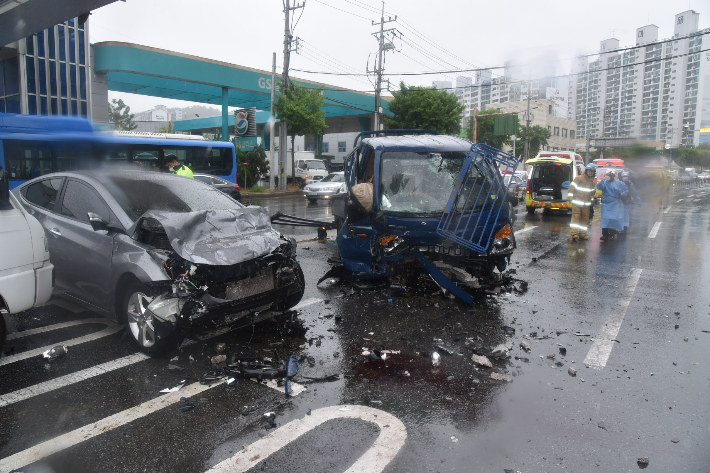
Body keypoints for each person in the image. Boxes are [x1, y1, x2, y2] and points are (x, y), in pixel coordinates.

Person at [568, 163, 597, 242]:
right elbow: (571, 187)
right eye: (589, 171)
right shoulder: (579, 178)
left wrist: (591, 203)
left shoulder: (593, 182)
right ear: (586, 171)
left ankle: (582, 234)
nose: (590, 172)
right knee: (576, 218)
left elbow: (592, 193)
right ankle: (574, 233)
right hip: (577, 202)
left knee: (585, 219)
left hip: (586, 204)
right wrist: (570, 198)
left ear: (594, 172)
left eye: (592, 171)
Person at [596, 170, 628, 241]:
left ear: (613, 176)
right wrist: (602, 180)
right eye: (607, 175)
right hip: (606, 204)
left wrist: (621, 194)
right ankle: (605, 235)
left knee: (614, 219)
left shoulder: (619, 183)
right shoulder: (604, 183)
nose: (608, 177)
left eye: (609, 175)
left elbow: (626, 190)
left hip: (615, 203)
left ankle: (613, 233)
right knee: (605, 219)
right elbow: (599, 187)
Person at [619, 171, 641, 235]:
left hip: (627, 202)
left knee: (625, 215)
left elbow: (635, 193)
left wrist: (638, 201)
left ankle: (624, 228)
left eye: (626, 177)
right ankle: (619, 228)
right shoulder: (618, 183)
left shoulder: (630, 184)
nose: (625, 178)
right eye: (624, 177)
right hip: (619, 202)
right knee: (620, 215)